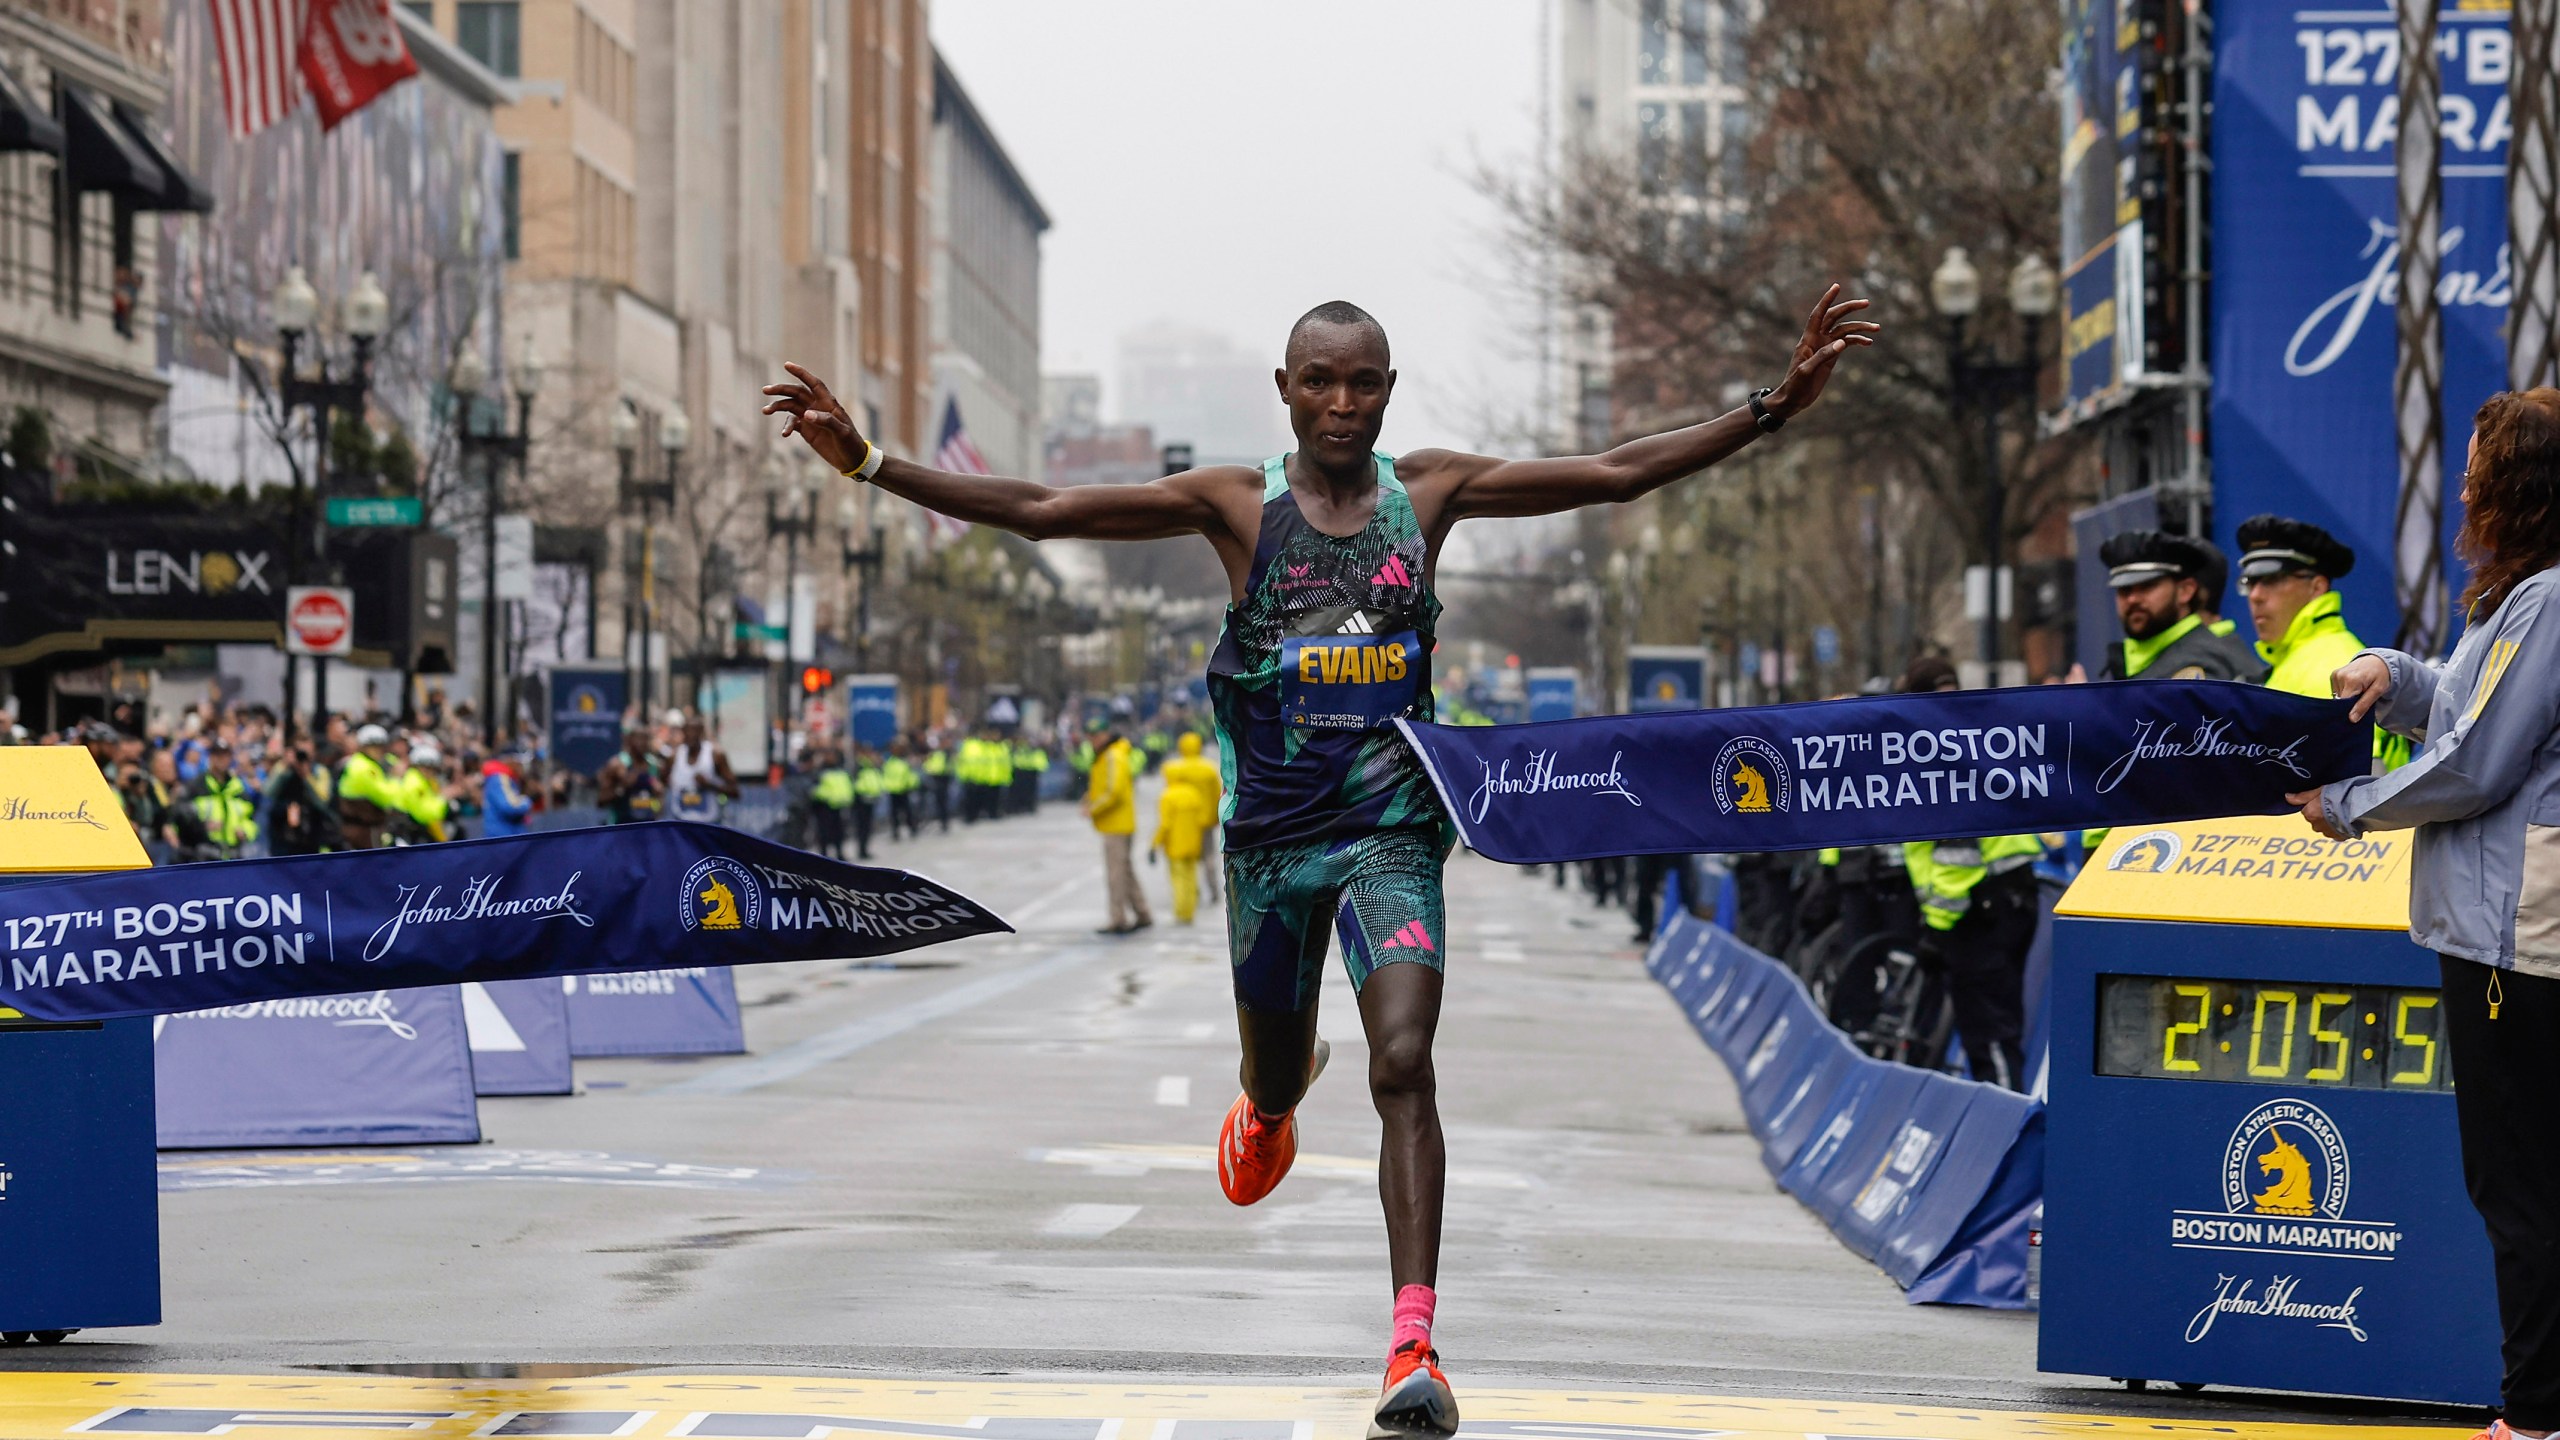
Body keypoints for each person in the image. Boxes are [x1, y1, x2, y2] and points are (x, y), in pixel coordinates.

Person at [764, 281, 1873, 1435]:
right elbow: (1045, 507)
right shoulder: (1235, 506)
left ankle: (1412, 1345)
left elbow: (1611, 472)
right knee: (1279, 1074)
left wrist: (1770, 408)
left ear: (1388, 393)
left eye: (1364, 383)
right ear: (1284, 391)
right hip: (1272, 854)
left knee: (1406, 1063)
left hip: (1391, 835)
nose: (1342, 404)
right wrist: (870, 464)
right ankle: (1271, 1102)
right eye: (1320, 382)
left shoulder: (1431, 492)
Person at [2294, 389, 2560, 1440]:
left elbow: (2479, 761)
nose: (2460, 485)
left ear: (2518, 484)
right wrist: (2389, 675)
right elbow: (2460, 699)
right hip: (2503, 930)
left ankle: (2534, 1413)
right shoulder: (2521, 596)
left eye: (2477, 466)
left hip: (2511, 940)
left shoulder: (2546, 599)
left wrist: (2347, 806)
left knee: (2519, 1187)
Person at [2237, 513, 2412, 770]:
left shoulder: (2335, 664)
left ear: (2317, 587)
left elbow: (2363, 782)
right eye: (2249, 582)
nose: (2256, 595)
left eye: (2272, 580)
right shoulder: (2297, 659)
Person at [2095, 530, 2268, 681]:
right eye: (2124, 590)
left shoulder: (2198, 663)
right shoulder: (2148, 658)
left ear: (2185, 591)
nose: (2133, 599)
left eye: (2148, 586)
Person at [1083, 725, 1150, 935]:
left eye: (1094, 737)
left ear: (1104, 736)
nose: (1092, 742)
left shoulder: (1113, 756)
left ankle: (1118, 918)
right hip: (1118, 822)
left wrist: (1093, 808)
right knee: (1125, 870)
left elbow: (1114, 791)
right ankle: (1142, 912)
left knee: (1116, 874)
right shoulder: (1109, 754)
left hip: (1116, 824)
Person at [1159, 731, 1225, 906]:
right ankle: (1213, 890)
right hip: (1205, 821)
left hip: (1184, 821)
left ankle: (1192, 892)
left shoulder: (1174, 768)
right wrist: (1215, 817)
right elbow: (1216, 795)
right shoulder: (1208, 769)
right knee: (1208, 857)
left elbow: (1171, 793)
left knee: (1188, 858)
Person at [1151, 764, 1213, 925]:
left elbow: (1165, 825)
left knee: (1178, 879)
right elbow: (1201, 819)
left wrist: (1154, 844)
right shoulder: (1193, 794)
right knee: (1191, 878)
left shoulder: (1167, 796)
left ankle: (1181, 912)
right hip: (1193, 844)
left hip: (1175, 845)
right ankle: (1190, 912)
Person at [182, 741, 259, 859]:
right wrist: (202, 827)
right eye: (218, 756)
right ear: (211, 757)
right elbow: (183, 815)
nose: (222, 760)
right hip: (204, 851)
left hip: (234, 852)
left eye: (226, 756)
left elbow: (251, 818)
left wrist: (245, 830)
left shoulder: (238, 787)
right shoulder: (197, 785)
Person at [266, 743, 344, 856]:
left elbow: (322, 802)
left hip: (311, 834)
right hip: (282, 835)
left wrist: (306, 776)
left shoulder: (319, 771)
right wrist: (284, 766)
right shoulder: (283, 768)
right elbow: (268, 792)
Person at [336, 724, 401, 850]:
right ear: (363, 747)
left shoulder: (367, 763)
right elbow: (386, 798)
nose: (378, 751)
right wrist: (395, 778)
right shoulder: (364, 768)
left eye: (380, 746)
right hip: (362, 831)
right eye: (372, 746)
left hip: (364, 829)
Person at [666, 714, 741, 823]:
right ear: (683, 732)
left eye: (695, 731)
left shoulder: (715, 755)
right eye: (687, 731)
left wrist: (710, 785)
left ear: (701, 732)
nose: (691, 735)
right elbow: (661, 783)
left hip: (709, 825)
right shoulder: (674, 756)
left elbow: (736, 792)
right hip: (681, 825)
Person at [597, 727, 665, 824]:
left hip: (646, 829)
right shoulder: (617, 765)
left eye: (646, 739)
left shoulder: (654, 766)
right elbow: (601, 801)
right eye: (639, 738)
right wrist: (621, 789)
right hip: (621, 828)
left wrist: (658, 796)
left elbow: (656, 807)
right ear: (629, 741)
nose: (642, 743)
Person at [392, 742, 454, 842]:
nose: (429, 771)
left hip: (416, 833)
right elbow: (423, 815)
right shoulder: (414, 783)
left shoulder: (425, 782)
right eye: (425, 767)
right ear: (416, 766)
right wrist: (443, 798)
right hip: (408, 834)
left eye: (432, 768)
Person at [810, 748, 853, 861]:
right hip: (824, 807)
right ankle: (824, 856)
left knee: (839, 833)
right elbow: (814, 790)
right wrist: (825, 797)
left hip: (838, 807)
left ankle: (839, 854)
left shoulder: (841, 771)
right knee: (824, 833)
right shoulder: (820, 772)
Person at [480, 753, 535, 839]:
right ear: (510, 760)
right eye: (519, 762)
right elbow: (510, 807)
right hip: (505, 837)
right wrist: (526, 802)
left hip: (505, 837)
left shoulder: (503, 778)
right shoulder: (500, 778)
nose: (521, 767)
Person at [850, 745, 885, 860]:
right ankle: (861, 850)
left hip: (870, 800)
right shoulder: (860, 767)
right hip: (861, 802)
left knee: (867, 827)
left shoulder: (871, 767)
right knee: (862, 827)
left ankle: (864, 849)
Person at [882, 740, 920, 840]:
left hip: (904, 790)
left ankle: (912, 829)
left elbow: (909, 775)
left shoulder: (904, 762)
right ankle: (895, 832)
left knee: (908, 812)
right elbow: (886, 776)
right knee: (894, 814)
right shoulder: (889, 762)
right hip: (893, 791)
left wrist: (911, 785)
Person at [921, 736, 953, 832]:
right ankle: (942, 822)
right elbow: (928, 767)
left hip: (942, 780)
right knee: (939, 803)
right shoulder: (935, 754)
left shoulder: (944, 754)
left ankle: (944, 822)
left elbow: (943, 768)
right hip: (935, 780)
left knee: (942, 804)